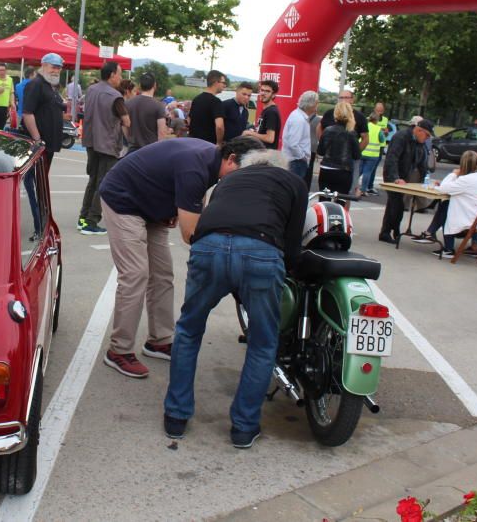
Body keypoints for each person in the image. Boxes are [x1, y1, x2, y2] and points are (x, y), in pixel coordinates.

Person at [163, 149, 306, 447]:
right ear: (282, 167)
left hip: (208, 246)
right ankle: (243, 426)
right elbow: (292, 244)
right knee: (263, 341)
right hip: (261, 252)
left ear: (246, 165)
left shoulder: (228, 181)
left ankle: (175, 416)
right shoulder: (293, 183)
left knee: (189, 330)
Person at [99, 135, 265, 378]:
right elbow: (190, 234)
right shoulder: (195, 166)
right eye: (245, 171)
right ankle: (119, 351)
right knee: (135, 274)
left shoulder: (211, 160)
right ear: (231, 159)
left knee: (162, 275)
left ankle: (159, 340)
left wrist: (179, 207)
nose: (245, 179)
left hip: (151, 206)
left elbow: (196, 201)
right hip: (123, 201)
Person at [78, 61, 130, 235]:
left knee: (92, 180)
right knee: (104, 183)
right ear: (112, 75)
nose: (120, 78)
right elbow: (127, 121)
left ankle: (83, 217)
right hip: (107, 143)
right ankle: (92, 222)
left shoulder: (91, 90)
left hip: (91, 141)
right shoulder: (115, 96)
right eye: (120, 74)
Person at [378, 119, 434, 244]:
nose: (427, 139)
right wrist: (395, 178)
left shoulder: (419, 142)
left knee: (397, 204)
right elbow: (392, 158)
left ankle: (391, 231)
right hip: (394, 176)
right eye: (427, 135)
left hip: (405, 177)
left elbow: (422, 162)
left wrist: (426, 179)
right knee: (395, 204)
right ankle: (388, 232)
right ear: (419, 130)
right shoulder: (401, 137)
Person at [429, 151, 477, 258]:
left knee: (446, 207)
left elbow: (443, 189)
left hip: (471, 221)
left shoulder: (466, 180)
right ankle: (430, 232)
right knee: (448, 206)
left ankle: (448, 248)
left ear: (463, 164)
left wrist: (454, 174)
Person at [22, 54, 67, 173]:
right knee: (35, 179)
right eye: (54, 67)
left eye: (59, 68)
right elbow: (27, 113)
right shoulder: (35, 84)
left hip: (49, 143)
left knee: (42, 179)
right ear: (44, 65)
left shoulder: (50, 86)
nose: (56, 71)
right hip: (39, 144)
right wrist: (37, 140)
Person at [318, 90, 368, 196]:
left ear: (352, 99)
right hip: (339, 167)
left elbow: (365, 138)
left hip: (337, 165)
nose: (343, 100)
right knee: (340, 197)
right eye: (341, 98)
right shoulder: (330, 115)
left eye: (346, 97)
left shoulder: (359, 117)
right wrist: (325, 143)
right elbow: (319, 128)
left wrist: (353, 152)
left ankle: (341, 211)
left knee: (329, 197)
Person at [125, 73, 168, 152]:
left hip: (132, 150)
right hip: (150, 151)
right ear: (154, 85)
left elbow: (124, 127)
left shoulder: (128, 103)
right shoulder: (159, 106)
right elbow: (162, 133)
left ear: (140, 85)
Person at [282, 90, 318, 179]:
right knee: (294, 189)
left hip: (294, 161)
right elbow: (293, 144)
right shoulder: (299, 120)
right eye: (316, 103)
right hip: (296, 163)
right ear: (311, 104)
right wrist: (303, 157)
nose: (317, 106)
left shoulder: (297, 115)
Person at [188, 70, 226, 145]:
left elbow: (189, 120)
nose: (225, 85)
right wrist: (219, 143)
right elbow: (219, 126)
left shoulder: (197, 99)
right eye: (223, 82)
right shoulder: (216, 102)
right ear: (216, 83)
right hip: (207, 145)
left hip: (193, 142)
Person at [360, 112, 388, 195]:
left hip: (362, 151)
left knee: (359, 171)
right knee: (367, 172)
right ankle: (363, 190)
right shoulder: (378, 129)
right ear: (377, 120)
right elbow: (382, 140)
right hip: (373, 154)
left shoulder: (365, 126)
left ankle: (352, 186)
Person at [254, 79, 281, 148]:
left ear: (273, 95)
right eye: (262, 90)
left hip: (266, 155)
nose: (263, 93)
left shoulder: (271, 112)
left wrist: (251, 133)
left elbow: (270, 138)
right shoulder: (267, 110)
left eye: (267, 91)